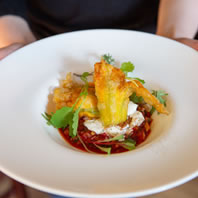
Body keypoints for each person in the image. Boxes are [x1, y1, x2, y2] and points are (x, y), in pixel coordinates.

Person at [0, 0, 198, 198]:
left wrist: (169, 44)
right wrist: (26, 55)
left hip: (148, 37)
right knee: (68, 188)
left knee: (136, 184)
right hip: (44, 43)